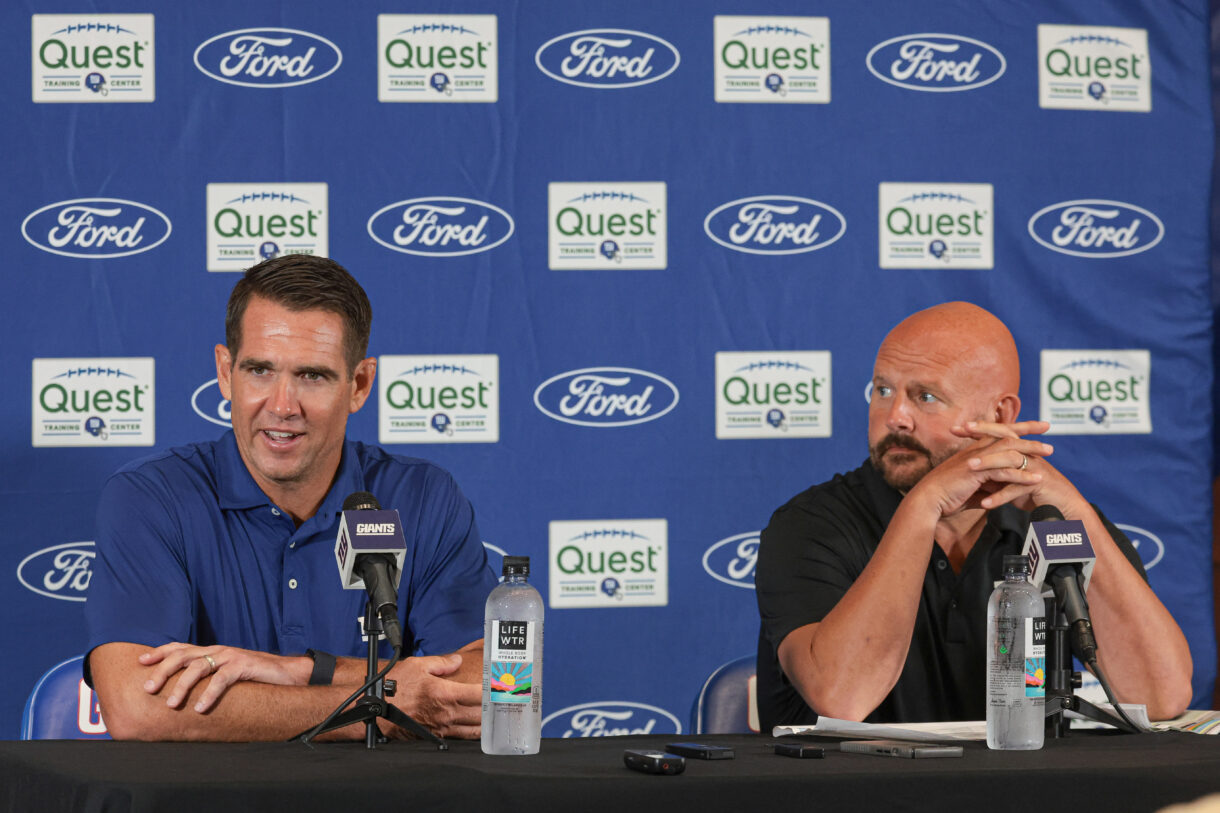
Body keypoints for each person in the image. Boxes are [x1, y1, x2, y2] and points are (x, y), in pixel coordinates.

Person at [86, 255, 497, 741]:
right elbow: (137, 705)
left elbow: (497, 682)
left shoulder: (423, 496)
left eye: (312, 376)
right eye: (259, 370)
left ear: (359, 385)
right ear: (224, 372)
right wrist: (380, 705)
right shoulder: (151, 498)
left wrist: (299, 671)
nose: (282, 407)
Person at [755, 301, 1193, 728]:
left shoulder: (1048, 522)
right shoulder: (808, 526)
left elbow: (1160, 697)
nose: (896, 417)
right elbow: (841, 697)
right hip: (852, 797)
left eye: (925, 397)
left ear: (1000, 415)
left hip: (1017, 795)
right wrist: (923, 506)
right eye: (882, 390)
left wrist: (1074, 509)